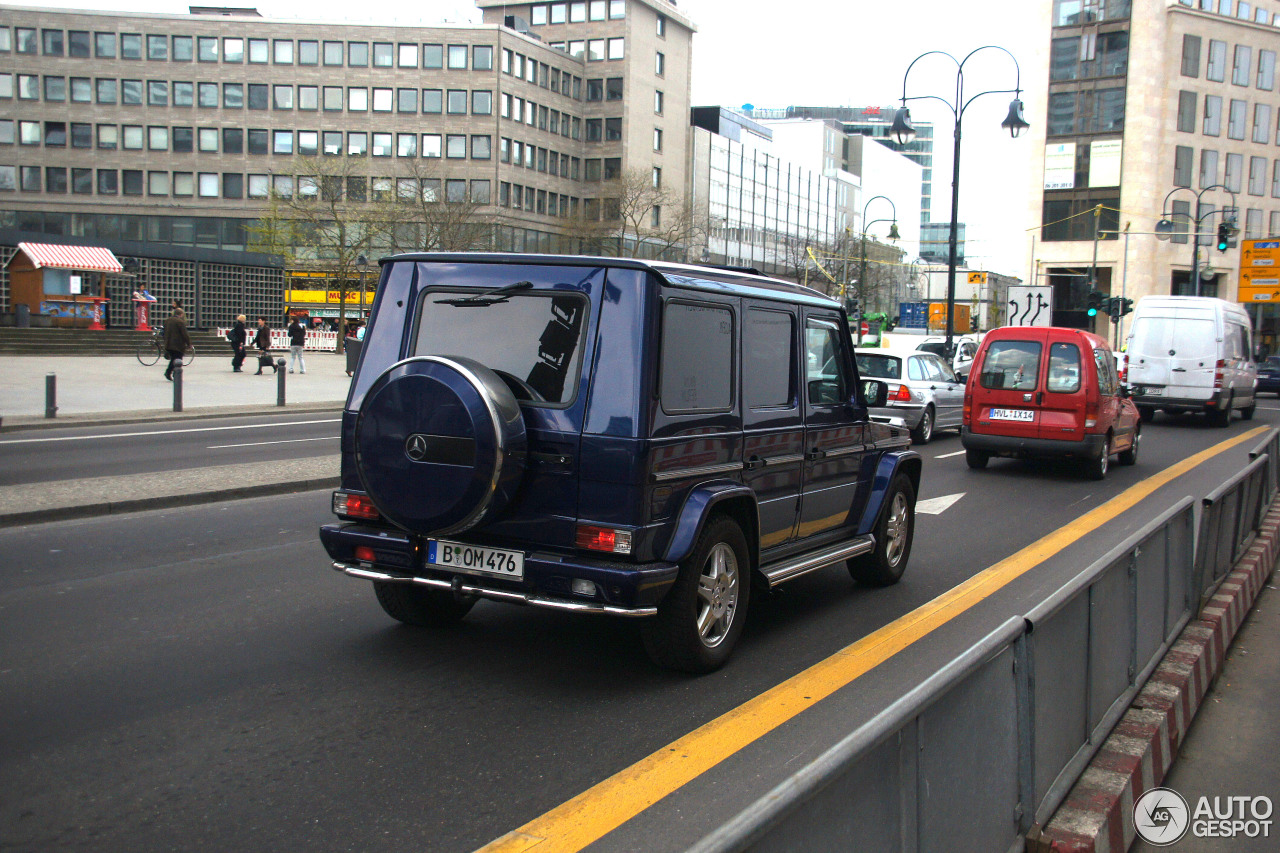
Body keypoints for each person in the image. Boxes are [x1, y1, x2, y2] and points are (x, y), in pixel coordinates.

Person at [161, 307, 190, 381]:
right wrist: (189, 344)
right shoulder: (180, 322)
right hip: (178, 345)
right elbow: (185, 334)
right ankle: (173, 374)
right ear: (181, 314)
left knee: (173, 359)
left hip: (168, 344)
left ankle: (172, 373)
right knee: (178, 360)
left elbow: (164, 332)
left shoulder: (168, 320)